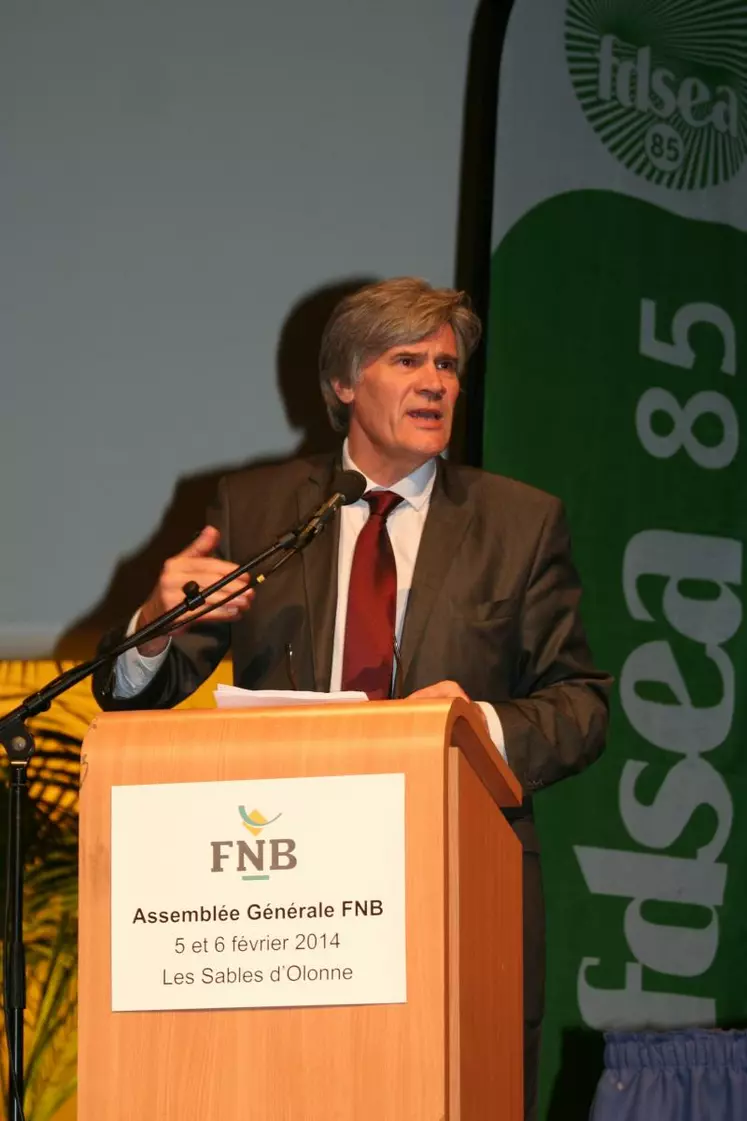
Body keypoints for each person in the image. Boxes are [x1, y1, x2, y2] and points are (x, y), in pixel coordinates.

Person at [93, 276, 611, 1120]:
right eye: (408, 359)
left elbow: (582, 703)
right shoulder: (259, 509)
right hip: (283, 896)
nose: (437, 381)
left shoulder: (519, 523)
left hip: (454, 878)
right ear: (344, 382)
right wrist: (154, 625)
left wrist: (466, 728)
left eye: (447, 363)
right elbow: (138, 690)